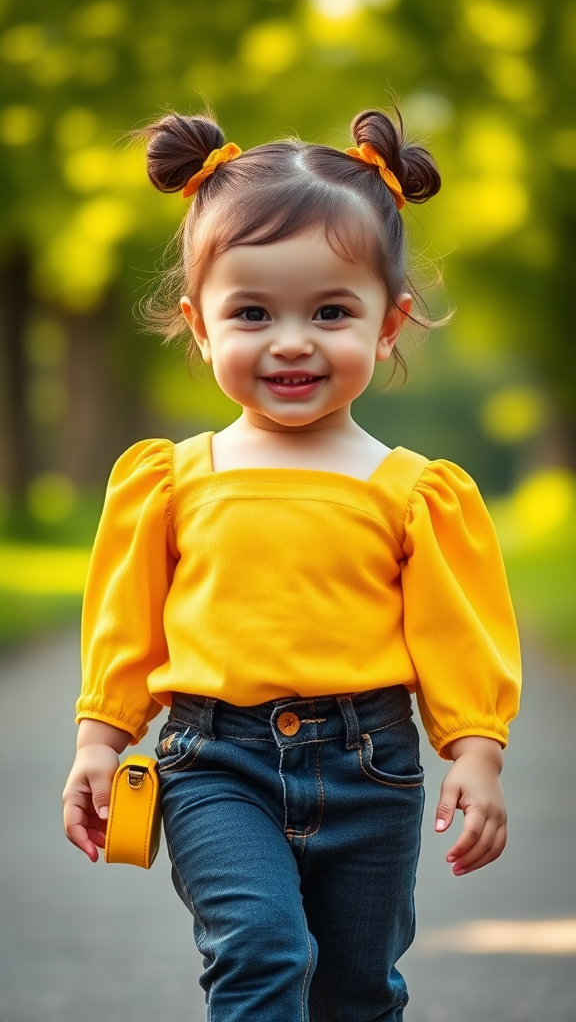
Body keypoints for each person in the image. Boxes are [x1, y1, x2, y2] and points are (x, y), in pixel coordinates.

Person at [62, 107, 521, 1022]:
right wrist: (99, 739)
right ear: (199, 324)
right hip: (214, 762)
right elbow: (127, 619)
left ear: (388, 324)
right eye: (252, 312)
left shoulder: (411, 491)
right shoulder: (172, 479)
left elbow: (454, 630)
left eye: (331, 311)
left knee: (357, 989)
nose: (292, 341)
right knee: (261, 949)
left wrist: (477, 749)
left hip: (371, 768)